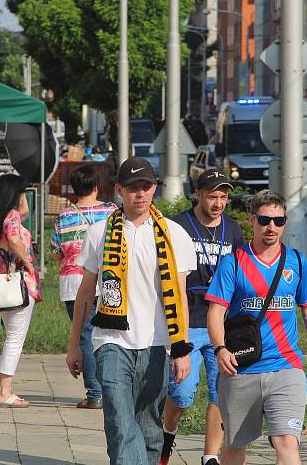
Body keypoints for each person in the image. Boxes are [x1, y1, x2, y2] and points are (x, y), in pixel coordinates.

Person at [66, 157, 196, 465]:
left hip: (157, 343)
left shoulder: (174, 235)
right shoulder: (99, 233)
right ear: (119, 191)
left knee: (150, 427)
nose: (140, 194)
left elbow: (179, 296)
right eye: (133, 188)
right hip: (111, 341)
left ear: (154, 189)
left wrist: (182, 349)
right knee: (121, 423)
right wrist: (74, 345)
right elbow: (85, 294)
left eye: (146, 187)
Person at [206, 190, 307, 465]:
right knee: (234, 448)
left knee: (287, 442)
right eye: (265, 220)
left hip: (286, 367)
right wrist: (220, 349)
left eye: (279, 221)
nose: (272, 227)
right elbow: (216, 312)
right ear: (252, 220)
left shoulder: (297, 262)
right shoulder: (234, 262)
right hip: (242, 369)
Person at [161, 170, 245, 465]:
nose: (219, 202)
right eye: (213, 196)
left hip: (221, 325)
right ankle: (166, 436)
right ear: (198, 194)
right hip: (189, 322)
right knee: (182, 394)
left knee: (220, 394)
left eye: (223, 197)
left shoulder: (233, 230)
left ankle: (210, 456)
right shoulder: (179, 225)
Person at [51, 166, 117, 409]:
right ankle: (112, 388)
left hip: (74, 283)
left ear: (73, 190)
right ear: (97, 187)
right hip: (107, 280)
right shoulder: (112, 211)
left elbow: (57, 253)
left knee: (85, 336)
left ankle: (95, 393)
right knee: (110, 335)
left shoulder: (64, 217)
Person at [0, 174, 41, 408]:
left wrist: (20, 194)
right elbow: (14, 240)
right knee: (15, 339)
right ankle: (4, 391)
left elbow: (22, 213)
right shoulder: (10, 217)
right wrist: (29, 263)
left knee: (12, 337)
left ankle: (6, 389)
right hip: (19, 282)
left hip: (3, 284)